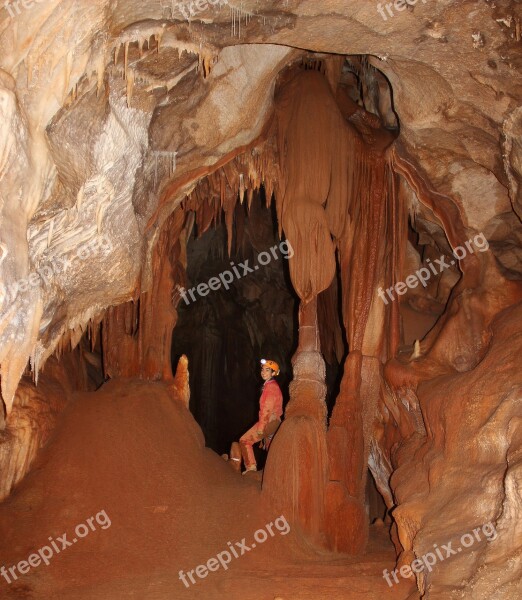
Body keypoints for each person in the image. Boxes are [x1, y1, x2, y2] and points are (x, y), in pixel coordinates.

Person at [239, 359, 283, 474]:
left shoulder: (270, 387)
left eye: (267, 370)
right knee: (271, 449)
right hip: (275, 422)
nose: (263, 372)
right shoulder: (271, 386)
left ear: (273, 373)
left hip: (269, 422)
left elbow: (266, 410)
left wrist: (261, 428)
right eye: (262, 370)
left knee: (245, 441)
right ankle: (273, 472)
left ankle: (251, 467)